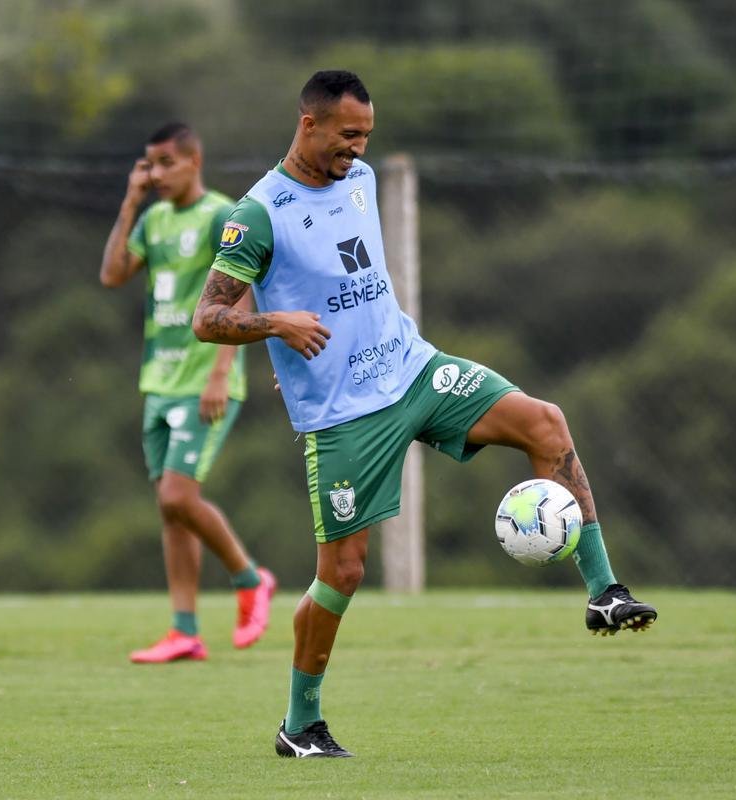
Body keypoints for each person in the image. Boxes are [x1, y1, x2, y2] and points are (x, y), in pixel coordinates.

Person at [192, 72, 656, 757]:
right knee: (343, 573)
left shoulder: (362, 179)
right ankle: (301, 725)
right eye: (347, 135)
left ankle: (604, 592)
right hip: (346, 416)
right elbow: (208, 319)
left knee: (545, 423)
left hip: (414, 371)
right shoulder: (258, 214)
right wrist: (276, 326)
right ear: (309, 124)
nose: (358, 149)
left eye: (367, 137)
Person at [100, 122, 275, 663]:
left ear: (193, 162)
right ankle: (184, 629)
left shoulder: (222, 215)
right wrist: (129, 204)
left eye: (165, 163)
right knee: (171, 509)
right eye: (148, 165)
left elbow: (239, 296)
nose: (155, 174)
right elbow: (112, 275)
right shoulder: (152, 219)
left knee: (178, 496)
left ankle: (250, 579)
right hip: (159, 381)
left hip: (204, 382)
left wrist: (221, 373)